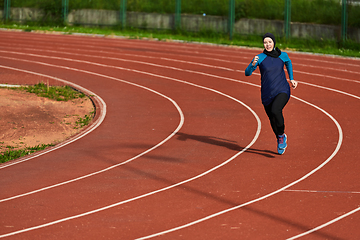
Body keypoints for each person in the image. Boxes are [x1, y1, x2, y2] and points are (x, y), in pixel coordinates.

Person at [245, 33, 298, 155]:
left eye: (269, 42)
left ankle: (281, 135)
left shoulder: (282, 55)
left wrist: (291, 78)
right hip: (267, 93)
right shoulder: (260, 58)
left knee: (276, 110)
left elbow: (288, 63)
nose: (267, 44)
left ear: (274, 42)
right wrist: (252, 65)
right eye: (265, 42)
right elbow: (247, 73)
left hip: (282, 90)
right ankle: (280, 137)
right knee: (272, 119)